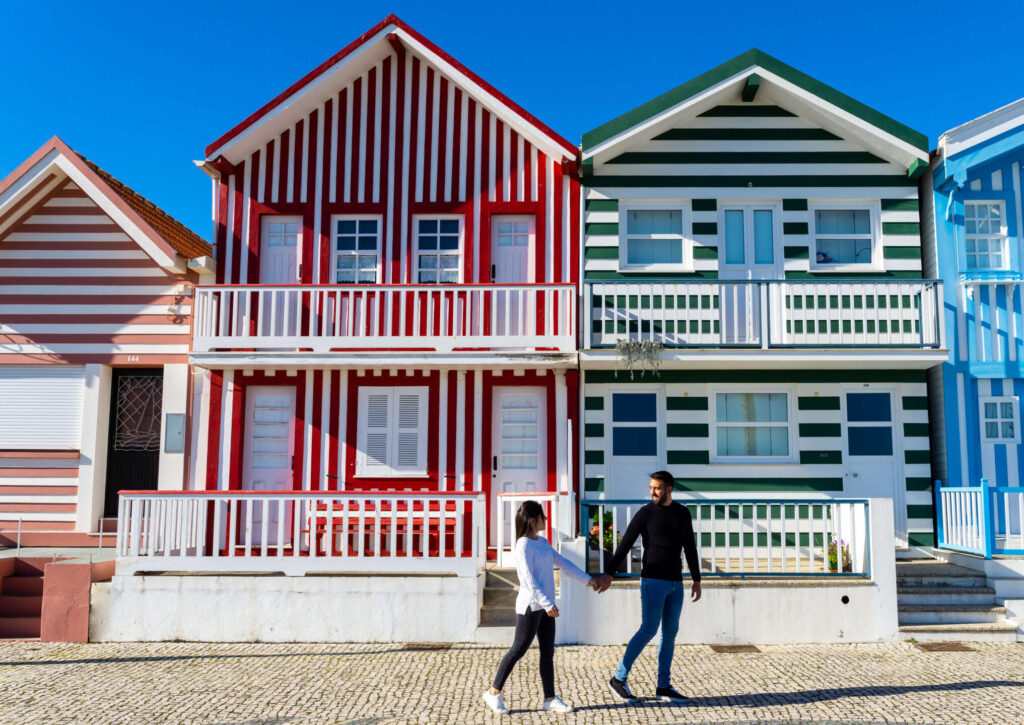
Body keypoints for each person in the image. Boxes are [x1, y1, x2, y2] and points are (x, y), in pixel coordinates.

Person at [592, 470, 702, 704]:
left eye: (657, 488)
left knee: (670, 634)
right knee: (648, 629)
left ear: (669, 489)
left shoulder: (683, 513)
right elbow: (625, 544)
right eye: (651, 487)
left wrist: (697, 579)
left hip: (676, 582)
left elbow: (690, 546)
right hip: (652, 580)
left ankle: (663, 686)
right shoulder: (646, 514)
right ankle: (619, 678)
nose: (652, 492)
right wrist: (609, 574)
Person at [483, 500, 598, 715]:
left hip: (545, 606)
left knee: (547, 653)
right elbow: (528, 579)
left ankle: (550, 699)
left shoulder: (543, 542)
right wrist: (547, 603)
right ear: (533, 519)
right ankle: (494, 692)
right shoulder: (523, 544)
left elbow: (563, 563)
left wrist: (588, 579)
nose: (545, 519)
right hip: (531, 606)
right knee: (518, 650)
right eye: (542, 516)